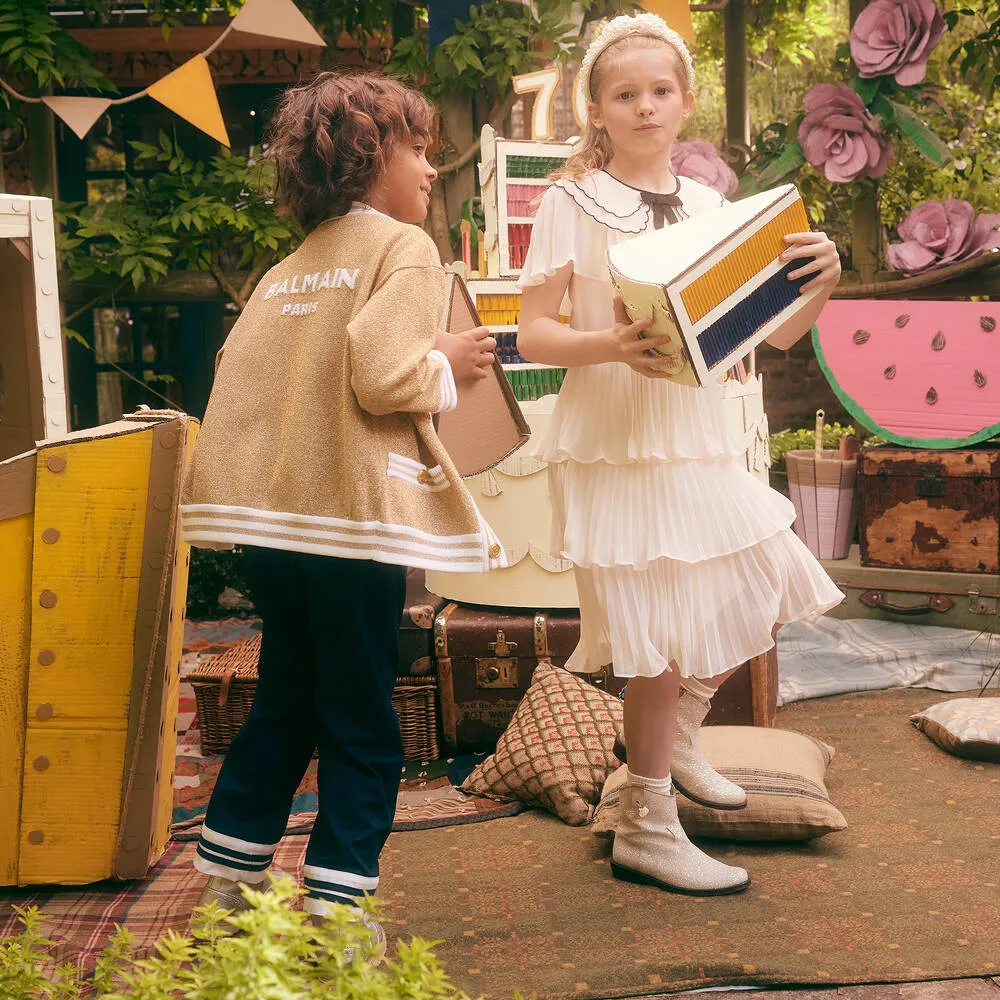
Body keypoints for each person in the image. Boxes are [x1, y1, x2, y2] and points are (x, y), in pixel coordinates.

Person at [516, 13, 844, 896]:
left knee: (771, 575)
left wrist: (823, 281)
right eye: (626, 94)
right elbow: (535, 334)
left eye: (661, 91)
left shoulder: (711, 210)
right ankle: (647, 825)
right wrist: (610, 347)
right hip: (617, 442)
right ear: (596, 106)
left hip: (696, 438)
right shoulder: (569, 201)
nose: (646, 106)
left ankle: (679, 735)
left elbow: (769, 336)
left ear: (686, 101)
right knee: (655, 639)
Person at [178, 71, 504, 954]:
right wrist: (449, 366)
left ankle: (229, 887)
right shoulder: (404, 249)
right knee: (365, 718)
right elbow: (383, 374)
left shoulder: (292, 267)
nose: (432, 170)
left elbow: (251, 383)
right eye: (421, 150)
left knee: (284, 701)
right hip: (352, 528)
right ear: (373, 158)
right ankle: (338, 906)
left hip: (275, 530)